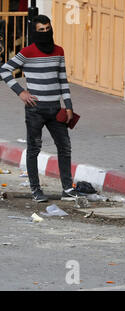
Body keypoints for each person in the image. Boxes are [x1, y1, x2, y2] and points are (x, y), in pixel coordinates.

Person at [0, 15, 82, 203]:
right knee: (34, 148)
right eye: (41, 30)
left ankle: (68, 189)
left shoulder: (59, 51)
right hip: (35, 110)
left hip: (56, 109)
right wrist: (21, 92)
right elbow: (4, 70)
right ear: (34, 32)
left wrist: (68, 106)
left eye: (47, 29)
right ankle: (36, 190)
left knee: (65, 147)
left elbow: (63, 80)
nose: (45, 33)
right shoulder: (27, 52)